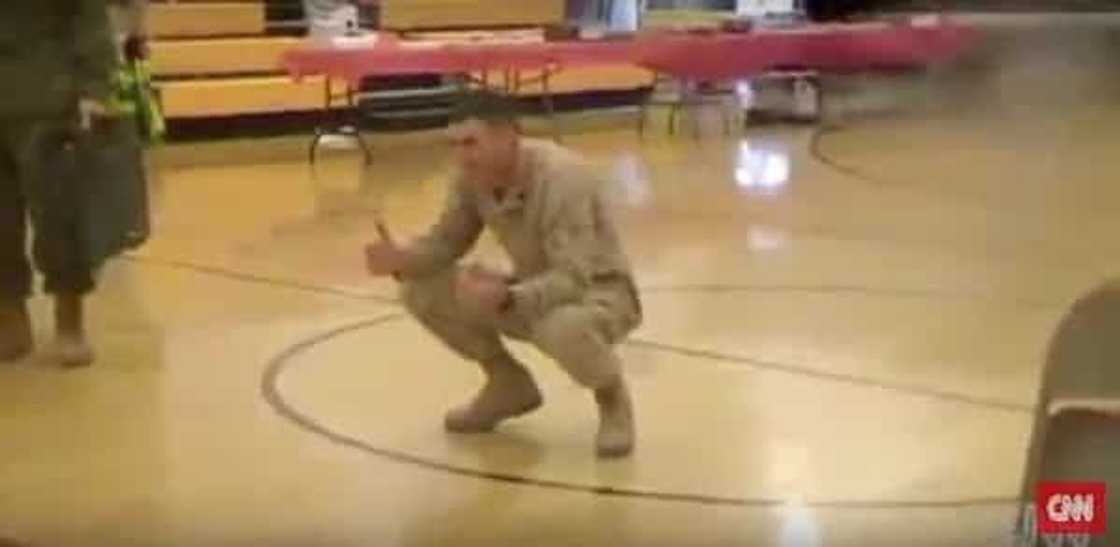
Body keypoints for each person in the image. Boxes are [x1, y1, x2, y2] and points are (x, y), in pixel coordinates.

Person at [364, 92, 643, 458]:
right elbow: (448, 241)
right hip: (531, 288)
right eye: (456, 145)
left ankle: (612, 399)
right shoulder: (471, 177)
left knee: (562, 326)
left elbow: (574, 278)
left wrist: (510, 298)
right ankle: (506, 383)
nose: (462, 155)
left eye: (471, 143)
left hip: (598, 293)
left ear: (509, 136)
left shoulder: (563, 178)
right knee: (423, 287)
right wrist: (403, 259)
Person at [0, 0, 120, 367]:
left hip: (49, 100)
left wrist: (95, 87)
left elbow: (89, 17)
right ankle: (10, 319)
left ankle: (69, 323)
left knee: (60, 218)